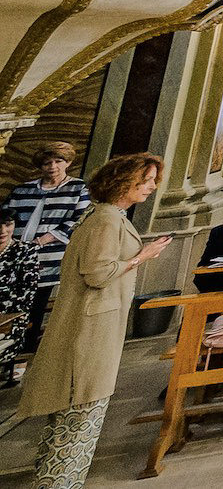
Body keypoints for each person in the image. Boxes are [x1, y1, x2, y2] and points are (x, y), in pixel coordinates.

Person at [18, 152, 169, 488]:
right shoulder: (105, 220)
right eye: (146, 181)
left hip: (98, 324)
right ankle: (59, 483)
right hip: (90, 329)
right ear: (124, 183)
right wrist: (142, 256)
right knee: (79, 416)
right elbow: (97, 273)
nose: (151, 187)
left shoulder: (109, 216)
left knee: (80, 416)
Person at [4, 143, 91, 358]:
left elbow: (80, 219)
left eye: (58, 161)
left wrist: (46, 239)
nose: (52, 167)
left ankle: (23, 356)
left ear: (68, 163)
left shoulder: (78, 188)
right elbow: (6, 216)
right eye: (47, 163)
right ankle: (8, 351)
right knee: (10, 305)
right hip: (15, 255)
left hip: (49, 258)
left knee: (36, 306)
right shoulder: (23, 189)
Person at [0, 219, 37, 387]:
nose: (2, 231)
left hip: (13, 316)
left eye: (7, 225)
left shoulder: (25, 251)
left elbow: (27, 293)